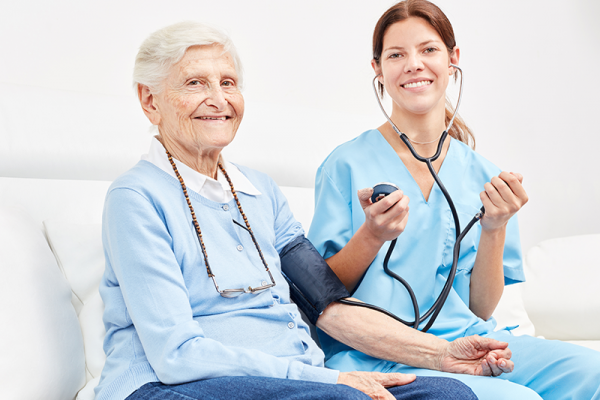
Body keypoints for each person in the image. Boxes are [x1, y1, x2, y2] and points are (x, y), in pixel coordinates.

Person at [95, 20, 522, 400]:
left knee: (448, 393)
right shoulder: (136, 197)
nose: (218, 99)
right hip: (171, 385)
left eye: (228, 82)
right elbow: (176, 355)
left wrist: (441, 355)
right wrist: (327, 380)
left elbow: (326, 303)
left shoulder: (260, 192)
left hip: (292, 380)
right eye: (195, 84)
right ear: (150, 100)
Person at [307, 1, 600, 399]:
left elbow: (480, 309)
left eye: (428, 49)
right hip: (379, 353)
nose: (414, 64)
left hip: (470, 340)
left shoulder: (483, 174)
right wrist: (371, 236)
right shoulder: (345, 165)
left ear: (452, 59)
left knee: (592, 371)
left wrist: (495, 227)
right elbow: (322, 296)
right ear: (378, 69)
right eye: (396, 55)